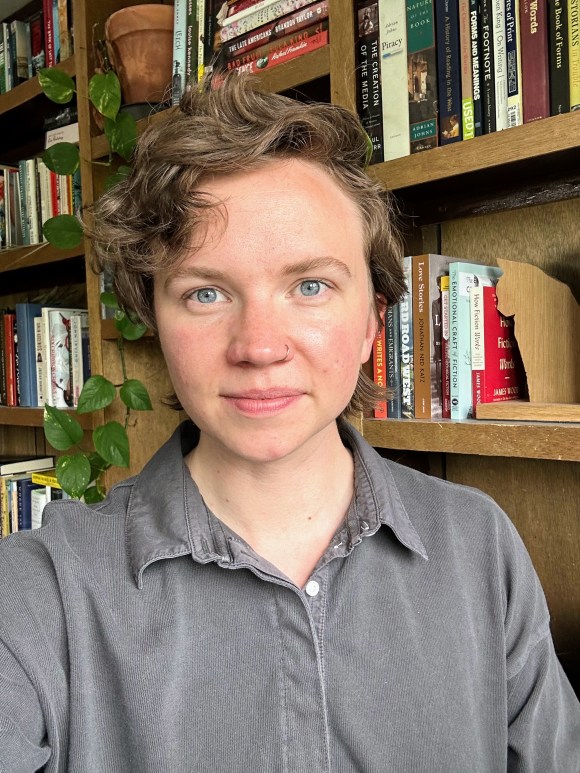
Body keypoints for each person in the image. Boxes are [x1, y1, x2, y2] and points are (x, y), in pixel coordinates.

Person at [0, 75, 579, 773]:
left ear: (374, 315)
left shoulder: (479, 545)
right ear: (155, 319)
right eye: (206, 292)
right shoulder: (36, 594)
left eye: (310, 285)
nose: (260, 345)